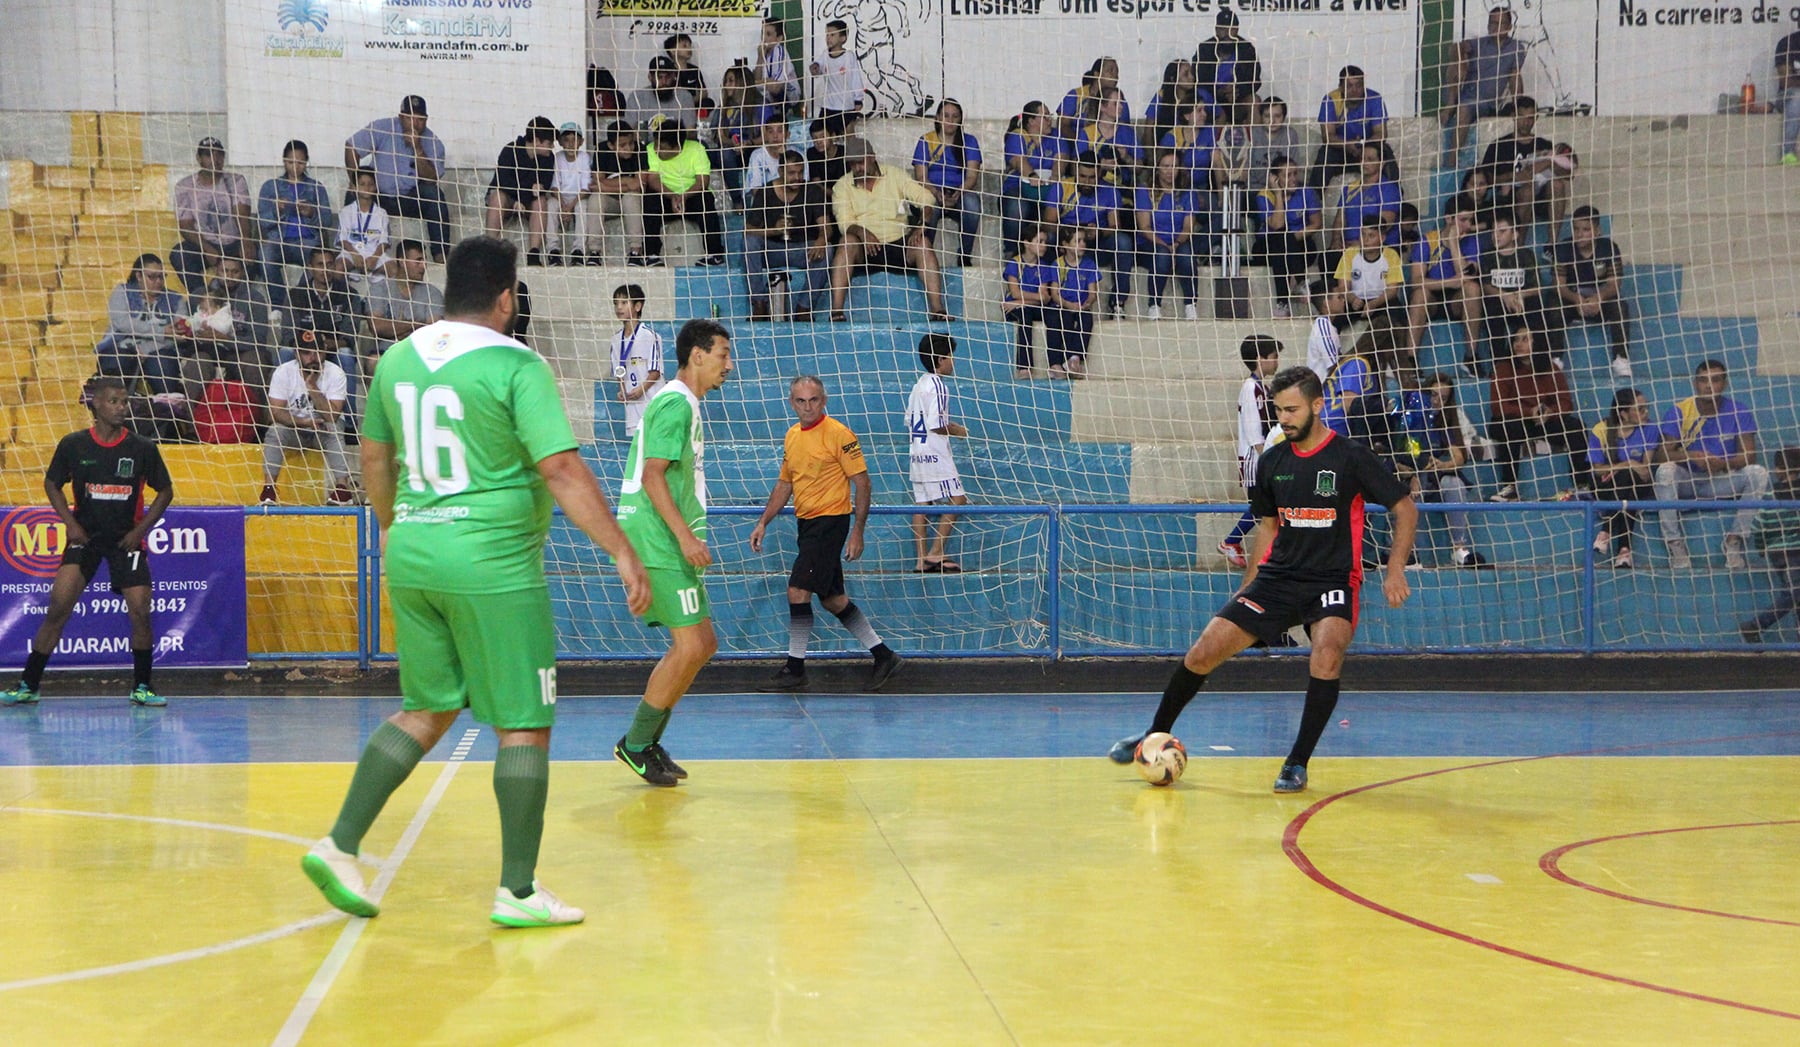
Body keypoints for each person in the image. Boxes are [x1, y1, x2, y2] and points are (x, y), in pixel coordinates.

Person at [303, 235, 653, 927]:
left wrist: (391, 524)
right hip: (492, 562)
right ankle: (518, 891)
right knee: (524, 721)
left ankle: (339, 844)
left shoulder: (396, 358)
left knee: (427, 708)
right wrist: (621, 550)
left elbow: (374, 455)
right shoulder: (517, 363)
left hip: (412, 552)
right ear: (506, 298)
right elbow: (559, 468)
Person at [1107, 365, 1417, 793]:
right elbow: (1268, 528)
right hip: (1277, 579)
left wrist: (1395, 568)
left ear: (1317, 405)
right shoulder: (1274, 462)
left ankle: (1296, 762)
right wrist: (1248, 588)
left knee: (1326, 654)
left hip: (1332, 578)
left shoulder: (1350, 457)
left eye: (1292, 410)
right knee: (1202, 653)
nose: (1284, 419)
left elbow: (1405, 508)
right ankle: (1153, 736)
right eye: (1278, 411)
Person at [2, 377, 174, 708]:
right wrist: (70, 523)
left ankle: (142, 686)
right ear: (95, 404)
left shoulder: (141, 448)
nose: (121, 407)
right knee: (58, 608)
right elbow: (52, 483)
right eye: (114, 401)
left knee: (140, 610)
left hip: (126, 540)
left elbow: (165, 491)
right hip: (86, 538)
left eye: (124, 402)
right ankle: (28, 684)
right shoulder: (74, 444)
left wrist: (140, 532)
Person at [612, 319, 734, 787]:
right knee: (691, 645)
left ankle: (646, 741)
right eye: (723, 353)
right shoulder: (675, 403)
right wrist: (684, 538)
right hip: (655, 540)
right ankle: (636, 745)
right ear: (697, 355)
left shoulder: (684, 404)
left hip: (663, 539)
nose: (729, 363)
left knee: (702, 645)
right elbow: (652, 475)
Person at [750, 375, 904, 691]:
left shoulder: (838, 434)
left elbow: (862, 482)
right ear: (791, 403)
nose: (808, 407)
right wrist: (763, 521)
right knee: (833, 600)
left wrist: (857, 531)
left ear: (824, 400)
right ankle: (883, 654)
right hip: (807, 524)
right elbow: (785, 484)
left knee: (797, 591)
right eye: (801, 401)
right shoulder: (792, 436)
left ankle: (795, 669)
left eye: (814, 400)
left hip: (830, 521)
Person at [1651, 359, 1772, 569]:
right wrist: (1692, 456)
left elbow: (1749, 456)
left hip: (1721, 480)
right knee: (1665, 471)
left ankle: (1733, 541)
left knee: (1758, 473)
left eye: (1715, 380)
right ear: (1695, 383)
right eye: (1703, 380)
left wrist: (1721, 463)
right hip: (1687, 481)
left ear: (1724, 383)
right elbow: (1661, 455)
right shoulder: (1679, 410)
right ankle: (1675, 544)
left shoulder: (1738, 411)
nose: (1708, 385)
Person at [827, 136, 950, 322]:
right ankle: (836, 311)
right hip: (865, 247)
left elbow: (926, 198)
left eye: (861, 163)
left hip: (898, 240)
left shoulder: (894, 174)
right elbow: (844, 223)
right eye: (853, 164)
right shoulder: (842, 185)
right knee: (846, 242)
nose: (858, 168)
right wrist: (862, 232)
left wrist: (921, 225)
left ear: (872, 157)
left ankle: (938, 310)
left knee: (923, 244)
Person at [1486, 322, 1590, 502]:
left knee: (1576, 427)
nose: (1518, 344)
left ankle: (1582, 486)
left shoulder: (1550, 368)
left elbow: (1566, 403)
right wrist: (1528, 412)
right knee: (1510, 427)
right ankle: (1510, 487)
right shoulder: (1503, 368)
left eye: (1525, 339)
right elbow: (1498, 407)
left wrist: (1550, 412)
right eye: (1516, 340)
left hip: (1543, 420)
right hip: (1514, 419)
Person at [1396, 373, 1489, 568]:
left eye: (1443, 398)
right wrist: (1414, 474)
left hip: (1435, 480)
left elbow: (1459, 457)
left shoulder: (1445, 421)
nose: (1437, 401)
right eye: (1433, 395)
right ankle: (1412, 553)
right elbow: (1401, 457)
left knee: (1454, 482)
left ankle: (1459, 549)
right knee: (1415, 489)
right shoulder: (1409, 419)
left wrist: (1442, 464)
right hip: (1409, 478)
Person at [344, 96, 451, 261]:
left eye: (420, 119)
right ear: (401, 117)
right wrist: (354, 180)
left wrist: (418, 148)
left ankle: (440, 256)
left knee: (434, 194)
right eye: (410, 118)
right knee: (353, 193)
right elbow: (351, 147)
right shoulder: (384, 127)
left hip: (409, 199)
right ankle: (350, 253)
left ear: (426, 120)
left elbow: (431, 179)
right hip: (378, 196)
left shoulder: (433, 142)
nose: (415, 124)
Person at [258, 329, 354, 507]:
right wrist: (304, 422)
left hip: (322, 429)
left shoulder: (336, 373)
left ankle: (343, 489)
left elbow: (332, 416)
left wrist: (312, 387)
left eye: (317, 351)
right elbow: (275, 413)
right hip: (296, 428)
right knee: (275, 431)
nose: (313, 357)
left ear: (324, 351)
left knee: (333, 429)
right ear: (296, 353)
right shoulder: (283, 372)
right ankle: (269, 490)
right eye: (306, 353)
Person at [903, 333, 971, 573]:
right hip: (934, 453)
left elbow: (909, 420)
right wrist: (958, 430)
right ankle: (935, 553)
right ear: (941, 359)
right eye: (950, 357)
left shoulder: (917, 385)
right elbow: (936, 423)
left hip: (916, 452)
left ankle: (920, 560)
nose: (953, 361)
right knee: (958, 498)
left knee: (922, 503)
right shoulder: (938, 386)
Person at [744, 151, 829, 321]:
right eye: (791, 173)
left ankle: (804, 308)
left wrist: (822, 238)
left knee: (828, 250)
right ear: (781, 171)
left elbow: (826, 225)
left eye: (800, 172)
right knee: (749, 243)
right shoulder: (766, 192)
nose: (797, 177)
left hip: (802, 250)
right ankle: (759, 304)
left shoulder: (812, 191)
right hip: (772, 251)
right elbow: (747, 229)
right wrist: (775, 230)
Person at [1220, 335, 1281, 568]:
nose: (1277, 362)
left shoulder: (1261, 388)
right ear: (1260, 358)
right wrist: (1268, 458)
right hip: (1255, 459)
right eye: (1274, 357)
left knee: (1266, 507)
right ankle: (1231, 541)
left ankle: (1234, 541)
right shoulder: (1250, 389)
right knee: (1262, 506)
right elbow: (1254, 429)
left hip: (1261, 457)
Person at [1044, 150, 1127, 319]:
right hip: (1067, 244)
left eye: (1092, 178)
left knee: (1123, 241)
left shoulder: (1110, 191)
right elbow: (1048, 223)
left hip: (1096, 244)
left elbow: (1116, 225)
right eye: (1082, 177)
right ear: (1075, 171)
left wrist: (1099, 232)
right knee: (1048, 239)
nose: (1087, 182)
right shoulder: (1061, 187)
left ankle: (1118, 303)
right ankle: (1048, 298)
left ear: (1100, 174)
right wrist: (1074, 232)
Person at [1553, 206, 1631, 380]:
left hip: (1599, 302)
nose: (1579, 234)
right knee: (1552, 304)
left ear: (1597, 231)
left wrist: (1598, 298)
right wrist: (1576, 300)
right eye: (1576, 229)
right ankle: (1555, 359)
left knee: (1620, 305)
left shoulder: (1609, 247)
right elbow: (1559, 285)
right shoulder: (1564, 248)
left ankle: (1621, 358)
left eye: (1586, 229)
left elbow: (1614, 284)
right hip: (1573, 302)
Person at [169, 136, 254, 295]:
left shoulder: (236, 181)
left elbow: (242, 214)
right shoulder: (185, 186)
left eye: (219, 154)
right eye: (208, 155)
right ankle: (204, 298)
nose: (215, 159)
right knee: (179, 254)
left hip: (234, 242)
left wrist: (246, 240)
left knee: (254, 255)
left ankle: (243, 302)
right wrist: (206, 248)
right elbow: (185, 226)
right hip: (205, 243)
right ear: (199, 159)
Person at [1588, 387, 1659, 569]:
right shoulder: (1601, 429)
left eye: (1646, 408)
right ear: (1624, 414)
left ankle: (1606, 530)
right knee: (1626, 482)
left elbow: (1644, 471)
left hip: (1637, 484)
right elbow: (1597, 471)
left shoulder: (1650, 429)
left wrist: (1628, 467)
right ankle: (1624, 550)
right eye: (1640, 409)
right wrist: (1627, 463)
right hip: (1605, 485)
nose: (1646, 413)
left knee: (1629, 480)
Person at [1406, 193, 1484, 354]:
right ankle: (1410, 360)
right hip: (1432, 299)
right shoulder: (1428, 240)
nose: (1468, 225)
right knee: (1420, 294)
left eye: (1471, 220)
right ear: (1448, 219)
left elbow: (1468, 275)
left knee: (1473, 288)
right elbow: (1416, 281)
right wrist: (1448, 282)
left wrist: (1454, 243)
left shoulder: (1471, 241)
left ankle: (1471, 358)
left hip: (1456, 300)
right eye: (1463, 220)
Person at [256, 140, 333, 298]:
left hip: (308, 241)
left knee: (317, 262)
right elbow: (263, 222)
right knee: (265, 256)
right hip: (279, 240)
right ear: (284, 161)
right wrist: (277, 210)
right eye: (290, 162)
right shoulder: (271, 186)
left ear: (306, 162)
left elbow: (327, 221)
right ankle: (279, 303)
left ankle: (297, 300)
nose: (295, 167)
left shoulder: (316, 187)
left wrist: (311, 213)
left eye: (300, 162)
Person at [100, 253, 186, 396]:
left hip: (158, 350)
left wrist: (145, 348)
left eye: (161, 276)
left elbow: (179, 335)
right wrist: (162, 332)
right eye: (152, 277)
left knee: (162, 365)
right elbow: (123, 323)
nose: (158, 281)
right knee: (117, 359)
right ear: (138, 276)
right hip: (122, 347)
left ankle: (167, 411)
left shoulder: (176, 300)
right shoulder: (122, 291)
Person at [1444, 7, 1525, 157]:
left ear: (1509, 27)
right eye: (1493, 23)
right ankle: (1449, 107)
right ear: (1488, 26)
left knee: (1464, 108)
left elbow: (1514, 78)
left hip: (1485, 103)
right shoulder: (1478, 44)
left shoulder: (1515, 48)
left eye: (1501, 23)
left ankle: (1451, 160)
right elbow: (1454, 49)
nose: (1496, 27)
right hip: (1461, 95)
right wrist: (1461, 55)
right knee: (1455, 65)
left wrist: (1518, 106)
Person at [912, 99, 983, 267]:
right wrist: (937, 193)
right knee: (930, 205)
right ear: (937, 117)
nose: (950, 121)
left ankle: (964, 256)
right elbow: (921, 177)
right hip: (932, 191)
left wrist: (960, 191)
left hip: (959, 192)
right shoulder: (926, 140)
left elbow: (972, 176)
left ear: (960, 120)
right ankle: (924, 255)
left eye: (954, 117)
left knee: (972, 204)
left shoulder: (969, 141)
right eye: (946, 116)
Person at [641, 127, 726, 267]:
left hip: (690, 198)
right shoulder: (649, 149)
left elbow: (703, 181)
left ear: (677, 147)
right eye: (656, 144)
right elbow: (653, 179)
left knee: (705, 198)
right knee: (650, 198)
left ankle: (714, 254)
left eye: (661, 147)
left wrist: (684, 196)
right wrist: (672, 196)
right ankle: (651, 254)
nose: (656, 149)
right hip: (666, 197)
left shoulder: (697, 149)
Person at [1740, 447, 1800, 641]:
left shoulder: (1770, 496)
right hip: (1794, 551)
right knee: (1794, 593)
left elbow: (1759, 525)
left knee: (1794, 594)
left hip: (1777, 553)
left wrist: (1761, 547)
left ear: (1777, 469)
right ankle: (1757, 625)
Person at [1477, 96, 1561, 234]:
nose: (1526, 123)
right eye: (1521, 117)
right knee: (1528, 191)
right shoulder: (1499, 145)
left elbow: (1567, 173)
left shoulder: (1544, 145)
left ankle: (1552, 245)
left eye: (1530, 118)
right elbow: (1486, 180)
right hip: (1509, 198)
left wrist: (1548, 162)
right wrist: (1513, 177)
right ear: (1513, 116)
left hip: (1541, 199)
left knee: (1557, 185)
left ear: (1536, 118)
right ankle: (1518, 248)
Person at [1475, 213, 1545, 376]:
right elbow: (1485, 285)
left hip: (1522, 301)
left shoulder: (1526, 255)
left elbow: (1537, 287)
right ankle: (1499, 366)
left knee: (1536, 307)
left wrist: (1519, 295)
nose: (1496, 236)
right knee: (1492, 309)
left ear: (1515, 234)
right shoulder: (1488, 256)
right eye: (1493, 231)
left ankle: (1538, 363)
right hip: (1499, 303)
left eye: (1502, 231)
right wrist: (1504, 296)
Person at [1252, 156, 1322, 318]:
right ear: (1275, 178)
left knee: (1283, 245)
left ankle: (1282, 304)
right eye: (1287, 175)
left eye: (1295, 174)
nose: (1293, 179)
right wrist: (1278, 193)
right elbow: (1276, 225)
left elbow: (1316, 224)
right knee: (1278, 243)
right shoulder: (1264, 195)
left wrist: (1290, 237)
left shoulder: (1306, 193)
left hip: (1299, 244)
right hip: (1267, 246)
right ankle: (1302, 283)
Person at [1135, 150, 1199, 321]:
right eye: (1166, 166)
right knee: (1162, 255)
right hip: (1150, 242)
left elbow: (1188, 227)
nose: (1170, 170)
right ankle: (1154, 305)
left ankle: (1190, 305)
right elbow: (1144, 227)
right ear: (1157, 169)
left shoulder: (1187, 192)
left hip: (1178, 241)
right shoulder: (1145, 191)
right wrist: (1164, 244)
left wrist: (1177, 243)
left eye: (1174, 166)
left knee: (1186, 256)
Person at [485, 117, 558, 266]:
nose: (552, 147)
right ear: (537, 141)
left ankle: (533, 254)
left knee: (541, 201)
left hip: (527, 200)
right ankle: (490, 250)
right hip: (508, 198)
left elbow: (542, 186)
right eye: (549, 144)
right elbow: (502, 181)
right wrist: (521, 196)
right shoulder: (510, 150)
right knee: (498, 197)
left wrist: (524, 198)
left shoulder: (548, 158)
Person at [1308, 66, 1387, 192]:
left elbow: (1381, 133)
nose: (1354, 90)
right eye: (1349, 86)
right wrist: (1347, 144)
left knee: (1386, 155)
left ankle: (1396, 201)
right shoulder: (1331, 100)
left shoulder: (1374, 98)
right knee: (1325, 156)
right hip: (1340, 150)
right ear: (1341, 87)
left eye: (1358, 85)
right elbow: (1328, 137)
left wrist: (1364, 145)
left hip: (1367, 147)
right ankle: (1311, 204)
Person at [1324, 217, 1406, 338]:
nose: (1365, 240)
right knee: (1336, 318)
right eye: (1363, 234)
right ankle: (1333, 352)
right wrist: (1353, 299)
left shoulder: (1391, 255)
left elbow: (1392, 290)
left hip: (1382, 301)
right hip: (1356, 300)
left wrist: (1374, 303)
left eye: (1371, 236)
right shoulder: (1350, 254)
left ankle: (1399, 355)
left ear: (1382, 238)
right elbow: (1343, 287)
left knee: (1398, 316)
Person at [1000, 101, 1062, 251]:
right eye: (1045, 117)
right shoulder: (1017, 136)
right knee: (1017, 206)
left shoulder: (1055, 136)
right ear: (1031, 121)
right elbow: (1017, 160)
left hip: (1047, 191)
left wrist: (1055, 175)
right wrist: (1032, 175)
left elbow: (1062, 157)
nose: (1050, 120)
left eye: (1050, 116)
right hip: (1019, 189)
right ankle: (1011, 252)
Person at [609, 283, 664, 439]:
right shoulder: (615, 339)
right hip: (632, 405)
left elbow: (655, 372)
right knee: (638, 447)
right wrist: (622, 390)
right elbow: (619, 369)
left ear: (638, 306)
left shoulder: (650, 336)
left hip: (651, 401)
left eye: (624, 303)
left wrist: (641, 389)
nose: (619, 308)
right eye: (616, 303)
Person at [592, 122, 650, 265]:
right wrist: (626, 180)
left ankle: (635, 251)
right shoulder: (601, 149)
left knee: (631, 197)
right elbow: (598, 182)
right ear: (611, 146)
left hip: (632, 202)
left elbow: (640, 185)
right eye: (622, 145)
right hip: (611, 201)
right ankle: (594, 251)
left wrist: (606, 186)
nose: (628, 148)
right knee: (596, 199)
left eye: (631, 143)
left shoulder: (640, 149)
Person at [1003, 224, 1056, 378]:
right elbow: (1015, 292)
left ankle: (1055, 364)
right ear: (1026, 243)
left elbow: (1045, 298)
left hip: (1023, 305)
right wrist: (1033, 298)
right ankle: (1024, 367)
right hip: (1014, 309)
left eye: (1045, 242)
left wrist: (1021, 301)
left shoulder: (1044, 266)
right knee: (1024, 317)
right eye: (1039, 241)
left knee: (1054, 315)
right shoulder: (1015, 263)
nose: (1044, 245)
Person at [1047, 224, 1100, 379]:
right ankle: (1064, 361)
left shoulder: (1089, 265)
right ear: (1065, 245)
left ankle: (1075, 359)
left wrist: (1088, 303)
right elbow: (1055, 293)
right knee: (1065, 320)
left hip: (1081, 306)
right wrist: (1069, 305)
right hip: (1062, 305)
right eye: (1077, 241)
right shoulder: (1057, 264)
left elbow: (1092, 293)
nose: (1082, 244)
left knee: (1086, 320)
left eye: (1083, 241)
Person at [367, 241, 444, 347]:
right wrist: (415, 325)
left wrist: (395, 329)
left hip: (420, 350)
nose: (423, 266)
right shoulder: (379, 289)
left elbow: (433, 331)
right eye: (418, 261)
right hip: (387, 351)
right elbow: (377, 327)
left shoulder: (433, 293)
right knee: (373, 361)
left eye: (424, 261)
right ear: (402, 262)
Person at [1194, 7, 1262, 110]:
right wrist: (1219, 92)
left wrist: (1237, 90)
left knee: (1254, 101)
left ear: (1237, 29)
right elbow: (1198, 80)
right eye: (1223, 29)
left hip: (1238, 98)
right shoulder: (1204, 49)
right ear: (1216, 29)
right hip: (1212, 99)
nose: (1227, 33)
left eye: (1231, 29)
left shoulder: (1247, 49)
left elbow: (1255, 80)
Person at [549, 122, 596, 266]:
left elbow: (585, 187)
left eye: (574, 140)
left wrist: (570, 206)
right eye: (566, 140)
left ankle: (578, 250)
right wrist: (563, 205)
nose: (570, 144)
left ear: (581, 142)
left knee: (582, 207)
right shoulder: (557, 158)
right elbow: (554, 186)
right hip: (560, 197)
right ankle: (553, 250)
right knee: (550, 205)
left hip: (578, 197)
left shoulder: (584, 158)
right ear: (560, 142)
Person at [336, 168, 391, 288]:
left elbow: (384, 241)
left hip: (374, 253)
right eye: (362, 184)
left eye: (370, 184)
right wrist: (354, 254)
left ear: (376, 187)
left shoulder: (381, 213)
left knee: (394, 269)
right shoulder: (346, 211)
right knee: (339, 268)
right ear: (354, 187)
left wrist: (375, 258)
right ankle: (341, 298)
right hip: (352, 252)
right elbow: (343, 239)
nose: (367, 187)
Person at [810, 19, 863, 132]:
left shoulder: (849, 56)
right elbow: (817, 68)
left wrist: (858, 99)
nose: (828, 38)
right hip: (828, 106)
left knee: (845, 137)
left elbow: (855, 78)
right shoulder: (825, 55)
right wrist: (814, 67)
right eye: (827, 35)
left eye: (832, 35)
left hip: (845, 107)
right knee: (824, 134)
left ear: (843, 38)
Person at [628, 56, 701, 133]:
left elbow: (690, 130)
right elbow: (629, 130)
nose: (664, 81)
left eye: (668, 77)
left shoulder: (684, 96)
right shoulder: (636, 97)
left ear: (674, 76)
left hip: (676, 144)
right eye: (659, 77)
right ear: (650, 77)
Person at [1249, 98, 1302, 193]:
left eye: (1277, 116)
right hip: (1256, 189)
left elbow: (1293, 167)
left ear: (1284, 117)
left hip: (1284, 188)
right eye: (1267, 116)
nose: (1272, 121)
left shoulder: (1290, 134)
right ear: (1261, 117)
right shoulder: (1252, 134)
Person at [756, 17, 800, 110]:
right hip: (771, 94)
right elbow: (756, 79)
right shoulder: (763, 52)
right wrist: (760, 58)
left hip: (790, 96)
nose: (764, 38)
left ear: (779, 38)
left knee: (773, 87)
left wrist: (758, 83)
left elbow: (776, 85)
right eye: (762, 34)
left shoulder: (780, 51)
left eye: (768, 34)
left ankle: (784, 112)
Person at [663, 33, 714, 109]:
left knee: (708, 103)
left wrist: (691, 101)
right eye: (684, 46)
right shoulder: (668, 71)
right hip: (675, 105)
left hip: (692, 103)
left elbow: (704, 92)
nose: (689, 48)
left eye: (690, 45)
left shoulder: (695, 70)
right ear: (673, 51)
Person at [1778, 28, 1800, 164]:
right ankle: (1788, 153)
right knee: (1798, 96)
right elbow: (1786, 81)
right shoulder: (1787, 43)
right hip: (1788, 96)